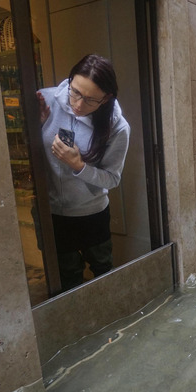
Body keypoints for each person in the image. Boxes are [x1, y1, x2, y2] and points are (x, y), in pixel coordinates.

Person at [35, 54, 130, 289]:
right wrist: (35, 127)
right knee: (66, 277)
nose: (78, 104)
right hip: (52, 212)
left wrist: (79, 166)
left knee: (102, 272)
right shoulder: (44, 100)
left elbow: (112, 178)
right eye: (75, 92)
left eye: (90, 100)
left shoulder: (117, 127)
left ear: (106, 99)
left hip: (92, 213)